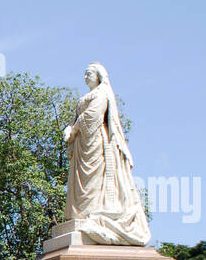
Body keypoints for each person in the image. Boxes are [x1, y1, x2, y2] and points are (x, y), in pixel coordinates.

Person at [63, 62, 151, 246]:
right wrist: (69, 129)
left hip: (94, 141)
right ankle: (81, 213)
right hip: (81, 144)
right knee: (80, 181)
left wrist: (74, 129)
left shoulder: (102, 93)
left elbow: (92, 116)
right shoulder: (85, 97)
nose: (86, 76)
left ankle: (93, 212)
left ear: (99, 76)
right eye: (85, 73)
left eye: (89, 73)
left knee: (94, 178)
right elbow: (77, 118)